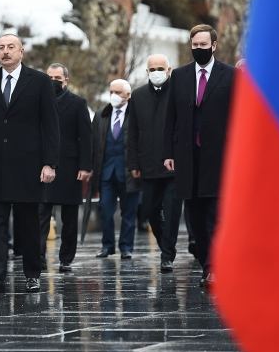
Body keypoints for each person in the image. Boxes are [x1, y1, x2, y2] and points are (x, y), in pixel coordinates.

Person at [0, 34, 59, 294]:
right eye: (1, 48)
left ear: (22, 51)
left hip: (28, 165)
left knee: (27, 222)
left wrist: (49, 163)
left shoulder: (39, 81)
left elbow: (50, 125)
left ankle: (32, 273)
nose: (5, 52)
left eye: (11, 47)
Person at [163, 24, 234, 287]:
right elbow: (170, 118)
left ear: (214, 46)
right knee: (194, 218)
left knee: (215, 215)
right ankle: (207, 262)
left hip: (218, 158)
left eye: (204, 45)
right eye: (195, 45)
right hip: (187, 158)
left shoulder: (229, 76)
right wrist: (168, 152)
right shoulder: (179, 77)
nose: (199, 49)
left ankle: (214, 267)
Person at [127, 54, 181, 272]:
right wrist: (133, 163)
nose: (157, 72)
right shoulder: (138, 96)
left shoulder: (178, 93)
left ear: (169, 70)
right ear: (147, 72)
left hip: (174, 166)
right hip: (148, 165)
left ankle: (167, 255)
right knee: (149, 210)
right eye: (153, 69)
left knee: (172, 210)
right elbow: (132, 133)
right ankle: (166, 245)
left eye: (161, 68)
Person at [38, 63, 91, 273]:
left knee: (69, 219)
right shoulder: (37, 102)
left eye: (57, 78)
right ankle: (39, 257)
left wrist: (85, 165)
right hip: (43, 167)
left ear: (66, 80)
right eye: (49, 78)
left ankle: (66, 258)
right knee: (40, 216)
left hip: (70, 167)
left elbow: (86, 137)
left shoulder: (78, 103)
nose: (53, 82)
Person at [90, 79, 140, 260]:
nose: (114, 95)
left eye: (118, 92)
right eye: (111, 91)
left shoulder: (136, 115)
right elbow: (94, 144)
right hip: (106, 172)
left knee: (129, 212)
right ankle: (107, 246)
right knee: (105, 210)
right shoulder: (101, 115)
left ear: (128, 95)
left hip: (129, 172)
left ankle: (126, 247)